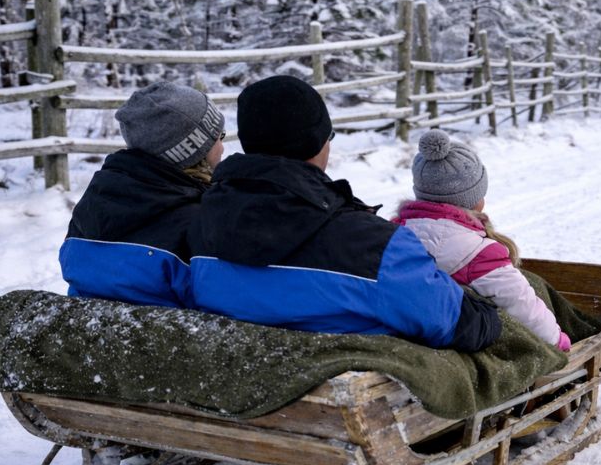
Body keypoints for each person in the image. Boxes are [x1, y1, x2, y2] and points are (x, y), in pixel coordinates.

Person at [188, 74, 500, 352]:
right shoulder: (373, 246)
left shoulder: (199, 222)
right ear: (318, 143)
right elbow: (455, 322)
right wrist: (490, 317)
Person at [394, 130, 571, 352]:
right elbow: (521, 304)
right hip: (464, 340)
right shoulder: (479, 252)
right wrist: (557, 341)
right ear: (476, 201)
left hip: (408, 329)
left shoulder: (392, 232)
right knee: (532, 288)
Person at [59, 81, 225, 308]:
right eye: (219, 136)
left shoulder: (94, 202)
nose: (223, 147)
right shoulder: (196, 220)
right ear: (193, 151)